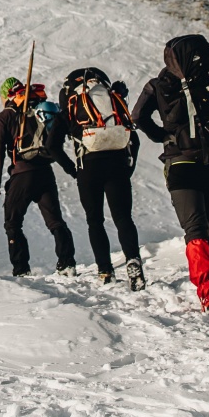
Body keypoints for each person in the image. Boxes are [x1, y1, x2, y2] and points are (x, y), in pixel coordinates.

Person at [134, 34, 209, 317]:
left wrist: (162, 136)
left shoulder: (159, 83)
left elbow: (137, 117)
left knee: (194, 230)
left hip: (181, 162)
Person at [61, 67, 144, 290]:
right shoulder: (111, 100)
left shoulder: (73, 103)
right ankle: (133, 261)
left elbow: (52, 146)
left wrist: (73, 170)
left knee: (95, 220)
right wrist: (128, 166)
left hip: (88, 167)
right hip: (117, 164)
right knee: (123, 218)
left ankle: (105, 271)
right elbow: (133, 138)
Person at [0, 77, 77, 276]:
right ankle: (67, 262)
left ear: (6, 95)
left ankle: (21, 269)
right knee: (55, 221)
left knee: (13, 223)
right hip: (45, 172)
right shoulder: (39, 111)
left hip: (22, 174)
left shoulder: (5, 116)